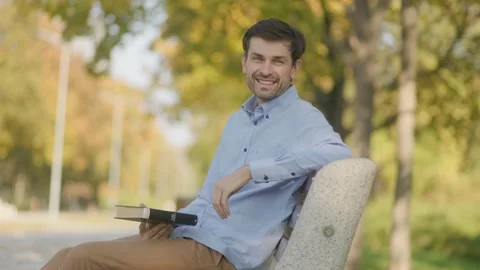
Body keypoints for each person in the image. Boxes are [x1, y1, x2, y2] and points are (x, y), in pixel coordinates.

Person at [41, 18, 351, 270]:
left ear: (294, 68)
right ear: (245, 62)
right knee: (66, 255)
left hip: (220, 255)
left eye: (278, 61)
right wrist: (170, 223)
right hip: (191, 238)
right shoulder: (238, 121)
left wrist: (251, 171)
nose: (266, 70)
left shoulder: (303, 118)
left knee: (83, 260)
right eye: (258, 58)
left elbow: (339, 154)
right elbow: (207, 198)